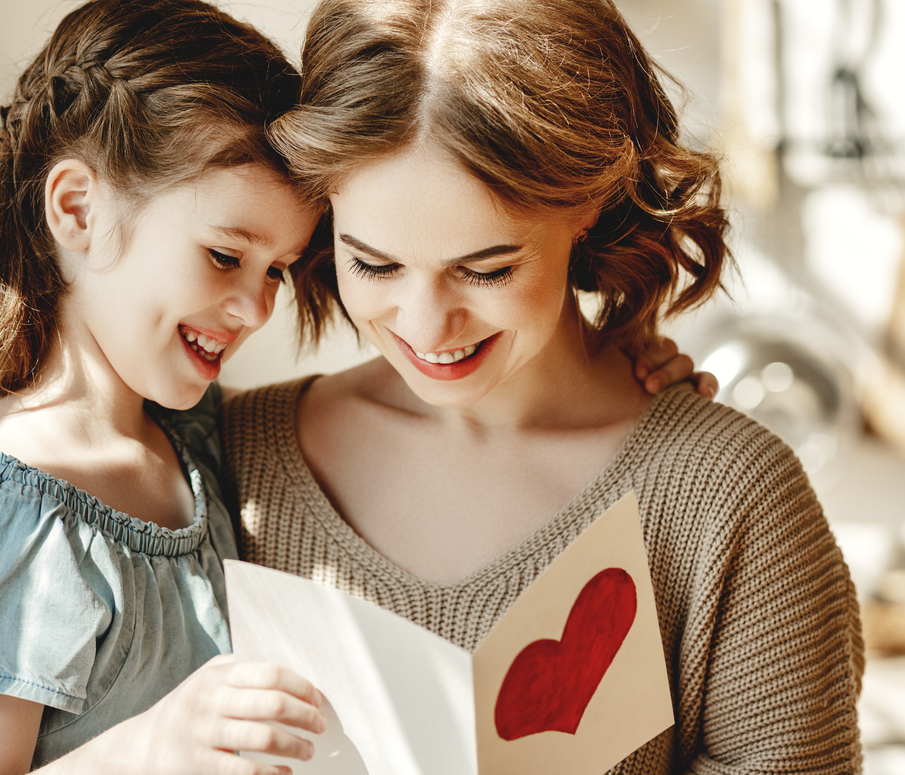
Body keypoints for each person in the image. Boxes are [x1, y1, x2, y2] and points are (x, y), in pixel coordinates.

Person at [218, 0, 864, 773]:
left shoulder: (730, 499)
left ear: (586, 201)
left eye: (486, 268)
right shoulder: (227, 456)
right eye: (375, 264)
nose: (425, 326)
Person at [0, 1, 334, 772]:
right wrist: (155, 745)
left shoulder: (188, 436)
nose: (257, 307)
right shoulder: (9, 523)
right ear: (77, 208)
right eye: (226, 254)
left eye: (277, 271)